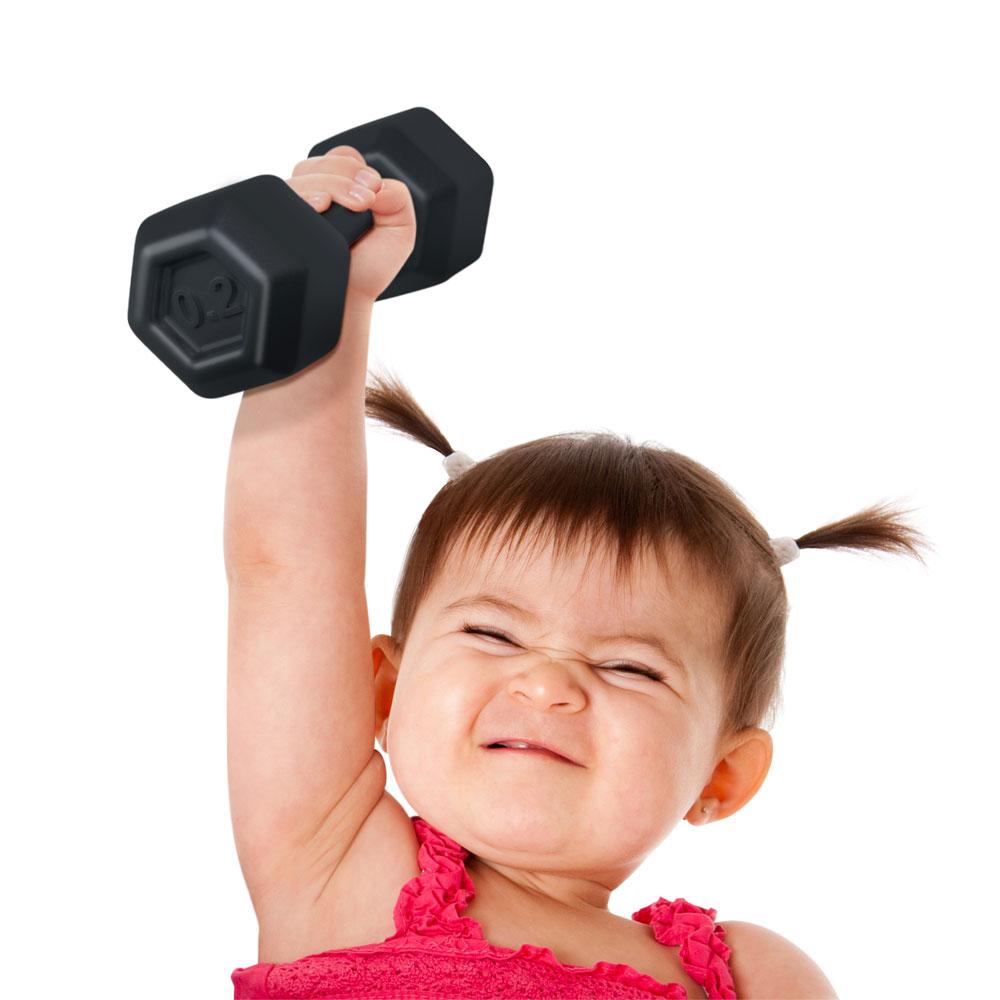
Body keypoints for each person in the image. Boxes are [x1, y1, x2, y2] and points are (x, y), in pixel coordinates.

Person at [225, 147, 927, 999]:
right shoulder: (336, 860)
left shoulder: (749, 974)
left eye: (629, 666)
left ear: (721, 775)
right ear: (382, 688)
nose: (547, 683)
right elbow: (289, 569)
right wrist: (326, 297)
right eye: (491, 631)